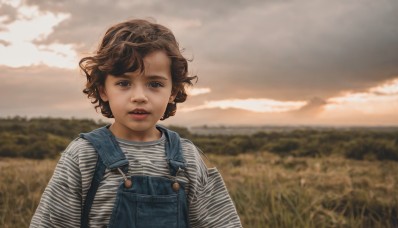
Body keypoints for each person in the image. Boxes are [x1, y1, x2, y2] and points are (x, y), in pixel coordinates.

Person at [30, 19, 242, 228]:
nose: (139, 96)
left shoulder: (187, 157)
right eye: (124, 83)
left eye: (154, 84)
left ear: (173, 91)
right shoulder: (83, 155)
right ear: (103, 90)